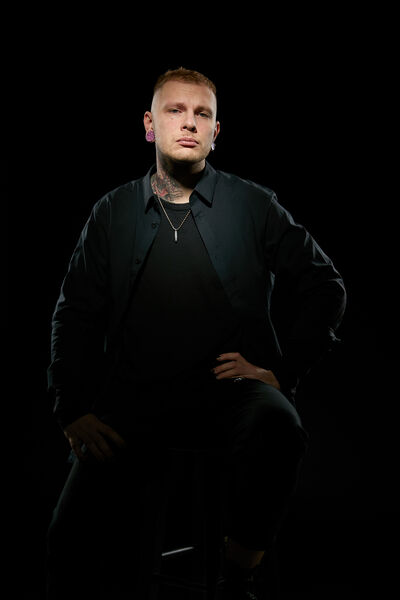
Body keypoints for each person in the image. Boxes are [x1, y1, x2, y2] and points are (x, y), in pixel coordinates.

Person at [46, 67, 346, 599]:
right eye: (175, 111)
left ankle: (239, 571)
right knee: (67, 548)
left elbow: (325, 286)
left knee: (280, 424)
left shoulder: (253, 204)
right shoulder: (112, 212)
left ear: (215, 131)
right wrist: (71, 409)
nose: (189, 123)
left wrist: (280, 370)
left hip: (230, 394)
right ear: (149, 125)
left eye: (202, 114)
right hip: (135, 398)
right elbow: (75, 314)